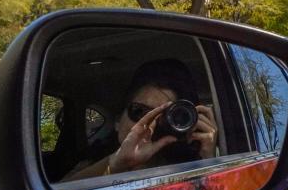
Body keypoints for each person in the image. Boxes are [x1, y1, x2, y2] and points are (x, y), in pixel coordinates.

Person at [62, 59, 217, 182]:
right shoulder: (90, 165)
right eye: (139, 112)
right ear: (117, 121)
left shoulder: (184, 169)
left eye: (166, 117)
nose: (150, 123)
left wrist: (207, 160)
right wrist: (114, 165)